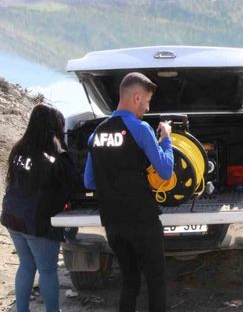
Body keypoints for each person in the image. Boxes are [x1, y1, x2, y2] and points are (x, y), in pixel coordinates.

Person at [84, 72, 174, 312]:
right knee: (156, 281)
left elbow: (89, 181)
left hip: (113, 222)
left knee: (130, 281)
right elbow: (165, 171)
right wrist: (166, 139)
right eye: (146, 101)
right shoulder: (141, 128)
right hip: (142, 220)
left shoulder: (96, 134)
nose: (147, 107)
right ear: (136, 97)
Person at [0, 103, 82, 312]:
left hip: (12, 216)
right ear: (55, 128)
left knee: (26, 265)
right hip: (37, 221)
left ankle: (22, 310)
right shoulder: (56, 156)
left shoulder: (19, 148)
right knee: (47, 270)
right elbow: (75, 186)